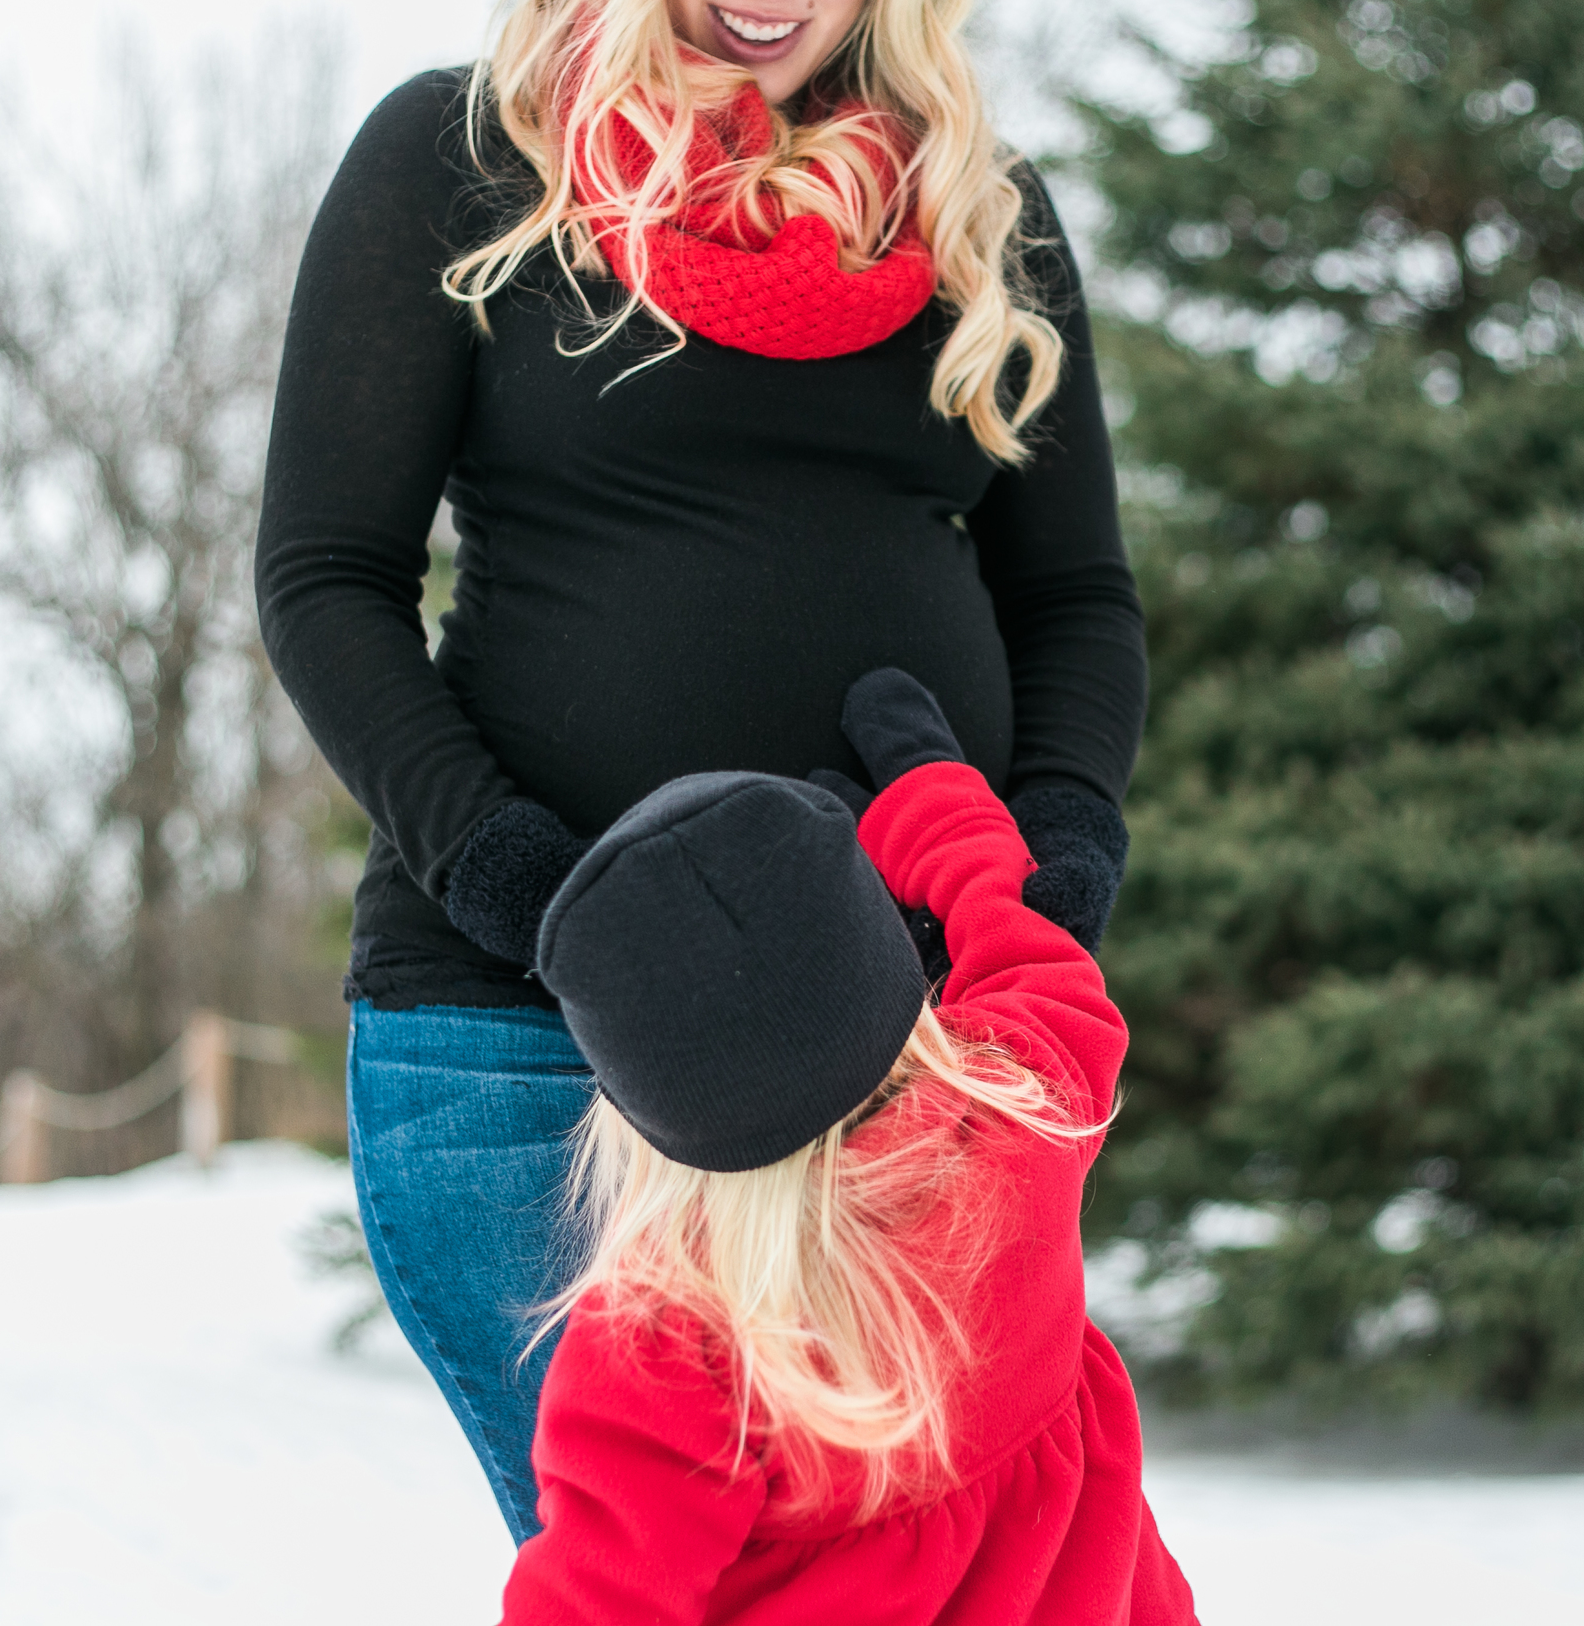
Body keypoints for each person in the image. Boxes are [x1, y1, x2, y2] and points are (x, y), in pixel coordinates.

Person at [254, 0, 1145, 1543]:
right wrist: (525, 886)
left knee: (919, 1574)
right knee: (668, 1574)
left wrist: (1059, 857)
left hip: (907, 1051)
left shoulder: (976, 207)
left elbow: (1073, 597)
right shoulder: (467, 159)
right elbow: (326, 580)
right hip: (530, 1041)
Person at [503, 669, 1194, 1623]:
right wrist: (929, 793)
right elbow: (1032, 948)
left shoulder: (676, 1343)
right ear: (896, 975)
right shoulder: (1024, 1110)